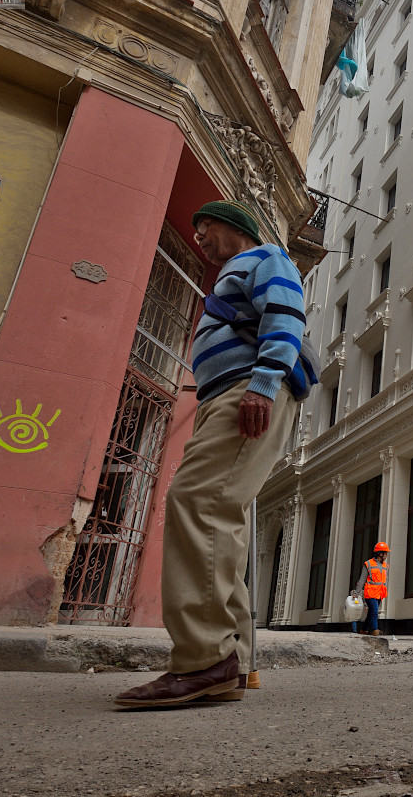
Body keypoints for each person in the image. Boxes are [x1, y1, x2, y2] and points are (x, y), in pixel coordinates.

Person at [115, 201, 305, 708]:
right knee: (223, 519)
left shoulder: (265, 257)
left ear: (237, 228)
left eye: (207, 229)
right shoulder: (237, 271)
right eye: (195, 232)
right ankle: (233, 662)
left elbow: (286, 316)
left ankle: (204, 661)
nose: (200, 238)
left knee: (196, 502)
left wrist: (263, 384)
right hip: (226, 394)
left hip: (248, 390)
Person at [353, 542, 390, 636]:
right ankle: (375, 630)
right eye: (386, 553)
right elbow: (362, 579)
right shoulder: (368, 564)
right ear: (380, 554)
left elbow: (385, 580)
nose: (386, 555)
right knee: (374, 611)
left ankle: (364, 629)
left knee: (370, 613)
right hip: (370, 593)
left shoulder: (386, 565)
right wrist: (356, 593)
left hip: (379, 593)